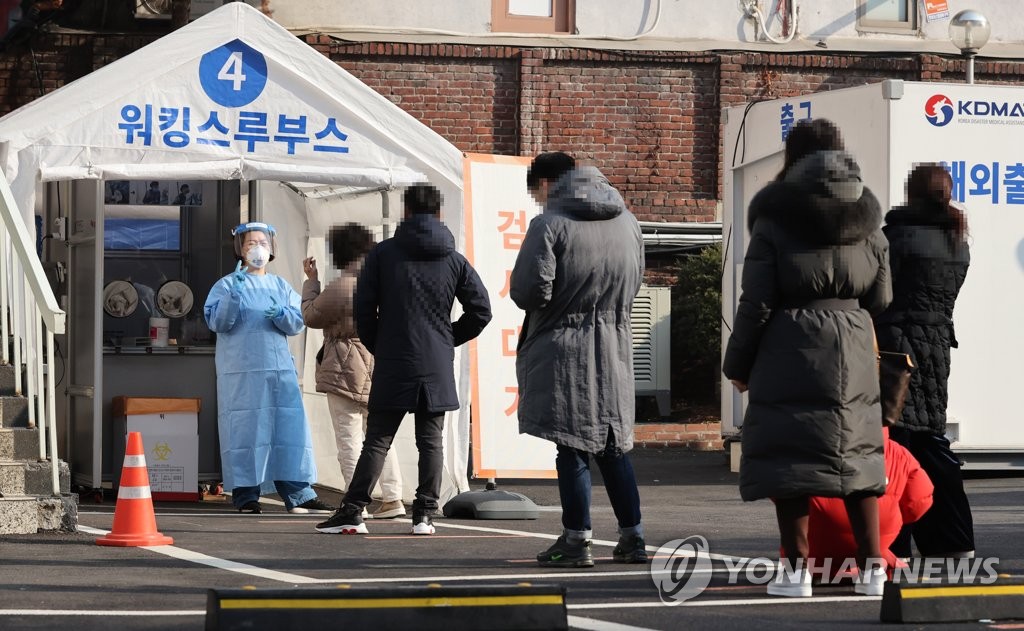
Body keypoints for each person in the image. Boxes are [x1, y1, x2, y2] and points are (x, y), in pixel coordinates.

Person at [722, 119, 893, 597]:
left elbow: (755, 302)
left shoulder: (775, 218)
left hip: (789, 344)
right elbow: (882, 297)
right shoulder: (868, 218)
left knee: (791, 462)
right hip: (855, 343)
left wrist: (737, 365)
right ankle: (873, 571)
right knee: (858, 458)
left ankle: (796, 573)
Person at [315, 183, 492, 535]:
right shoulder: (454, 259)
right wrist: (447, 339)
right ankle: (424, 515)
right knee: (431, 439)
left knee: (378, 438)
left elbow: (363, 310)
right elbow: (481, 311)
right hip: (436, 360)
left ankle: (353, 511)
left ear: (406, 211)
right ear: (438, 213)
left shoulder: (382, 255)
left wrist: (381, 343)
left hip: (395, 356)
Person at [511, 151, 647, 568]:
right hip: (615, 347)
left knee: (570, 447)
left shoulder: (549, 224)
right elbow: (637, 280)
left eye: (537, 192)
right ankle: (633, 538)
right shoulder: (629, 221)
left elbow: (529, 292)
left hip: (563, 350)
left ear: (547, 183)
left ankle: (576, 540)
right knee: (613, 447)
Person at [874, 163, 974, 559]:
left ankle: (891, 539)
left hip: (894, 347)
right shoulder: (957, 240)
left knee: (893, 440)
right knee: (930, 438)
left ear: (910, 193)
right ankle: (952, 539)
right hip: (935, 348)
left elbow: (877, 292)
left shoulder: (894, 238)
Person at [204, 222, 334, 515]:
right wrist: (234, 294)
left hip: (277, 372)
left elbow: (297, 324)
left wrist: (283, 315)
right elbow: (218, 323)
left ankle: (299, 493)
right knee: (245, 432)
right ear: (240, 249)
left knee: (287, 430)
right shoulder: (226, 285)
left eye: (262, 242)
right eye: (250, 243)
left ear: (271, 247)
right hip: (240, 373)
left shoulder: (279, 286)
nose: (257, 248)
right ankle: (246, 495)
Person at [301, 223, 406, 521]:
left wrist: (312, 282)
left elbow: (310, 315)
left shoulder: (344, 285)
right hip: (379, 364)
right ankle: (393, 497)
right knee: (381, 437)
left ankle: (354, 501)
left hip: (345, 367)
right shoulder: (385, 282)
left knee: (349, 438)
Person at [793, 427, 934, 580]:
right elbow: (919, 499)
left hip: (816, 547)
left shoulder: (803, 447)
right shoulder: (897, 452)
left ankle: (797, 572)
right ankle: (874, 567)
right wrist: (895, 517)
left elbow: (781, 491)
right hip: (879, 536)